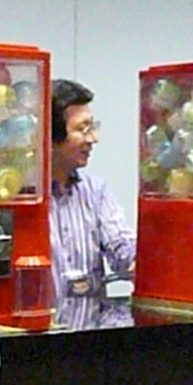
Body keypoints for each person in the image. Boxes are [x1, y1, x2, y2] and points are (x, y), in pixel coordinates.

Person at [49, 78, 136, 301]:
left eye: (93, 127)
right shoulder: (23, 197)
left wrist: (142, 261)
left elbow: (121, 247)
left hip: (91, 323)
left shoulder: (95, 191)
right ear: (51, 135)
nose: (93, 139)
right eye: (83, 129)